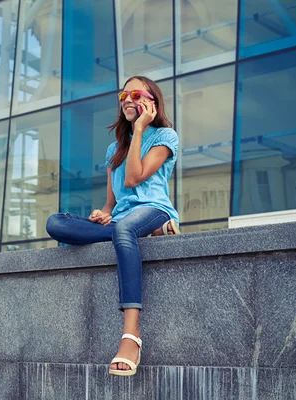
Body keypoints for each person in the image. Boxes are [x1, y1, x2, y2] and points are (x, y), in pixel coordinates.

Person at [45, 76, 180, 376]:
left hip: (153, 209)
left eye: (136, 94)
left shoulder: (165, 137)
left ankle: (131, 335)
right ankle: (153, 235)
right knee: (57, 223)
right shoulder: (113, 149)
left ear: (152, 102)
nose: (128, 99)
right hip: (122, 221)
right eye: (124, 95)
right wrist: (102, 214)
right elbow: (112, 201)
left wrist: (140, 129)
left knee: (124, 230)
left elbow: (134, 178)